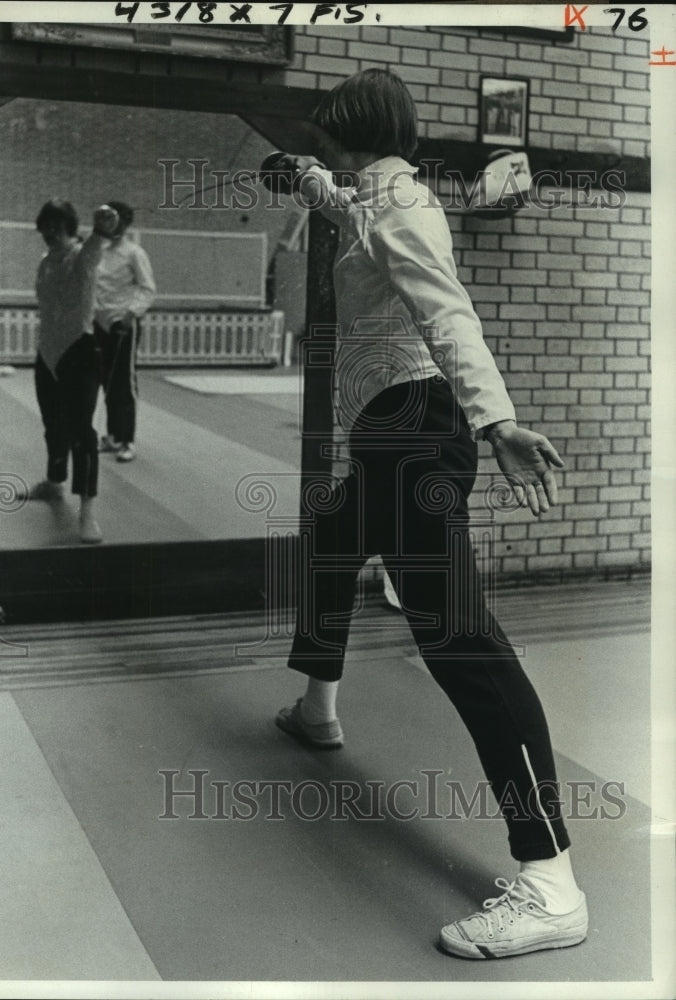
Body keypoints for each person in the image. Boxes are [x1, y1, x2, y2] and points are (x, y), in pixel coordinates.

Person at [263, 69, 588, 961]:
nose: (325, 146)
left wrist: (498, 421)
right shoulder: (377, 195)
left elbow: (451, 316)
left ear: (356, 133)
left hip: (416, 432)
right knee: (333, 544)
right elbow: (348, 212)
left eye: (329, 137)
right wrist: (305, 180)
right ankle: (318, 707)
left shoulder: (402, 208)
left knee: (463, 645)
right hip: (387, 435)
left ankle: (551, 879)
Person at [21, 198, 119, 544]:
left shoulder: (83, 256)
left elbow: (98, 241)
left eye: (57, 226)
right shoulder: (45, 261)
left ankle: (87, 512)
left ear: (69, 228)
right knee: (52, 425)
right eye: (46, 226)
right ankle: (54, 482)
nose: (50, 232)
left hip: (79, 353)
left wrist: (105, 224)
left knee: (82, 433)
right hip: (47, 355)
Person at [94, 200, 156, 463]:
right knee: (107, 381)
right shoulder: (98, 251)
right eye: (103, 219)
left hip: (123, 324)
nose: (107, 224)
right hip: (100, 323)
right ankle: (113, 436)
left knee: (124, 384)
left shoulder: (134, 252)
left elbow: (147, 288)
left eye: (112, 219)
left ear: (124, 222)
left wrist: (131, 315)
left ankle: (127, 440)